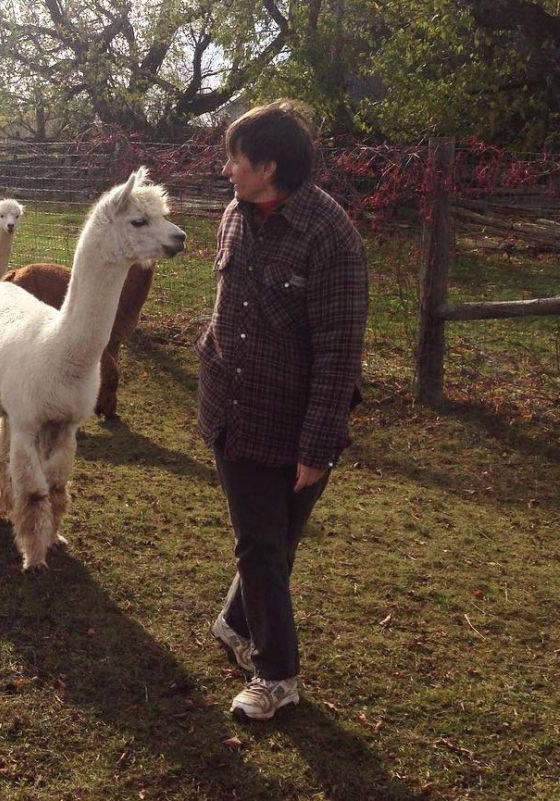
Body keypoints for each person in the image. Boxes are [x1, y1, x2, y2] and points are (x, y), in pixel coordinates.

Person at [194, 100, 368, 721]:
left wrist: (316, 448)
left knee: (271, 545)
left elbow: (340, 354)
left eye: (235, 159)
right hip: (231, 410)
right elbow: (226, 305)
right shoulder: (234, 217)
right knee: (262, 545)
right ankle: (272, 665)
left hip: (292, 424)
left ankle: (264, 661)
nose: (226, 170)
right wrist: (209, 357)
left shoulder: (330, 239)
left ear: (267, 166)